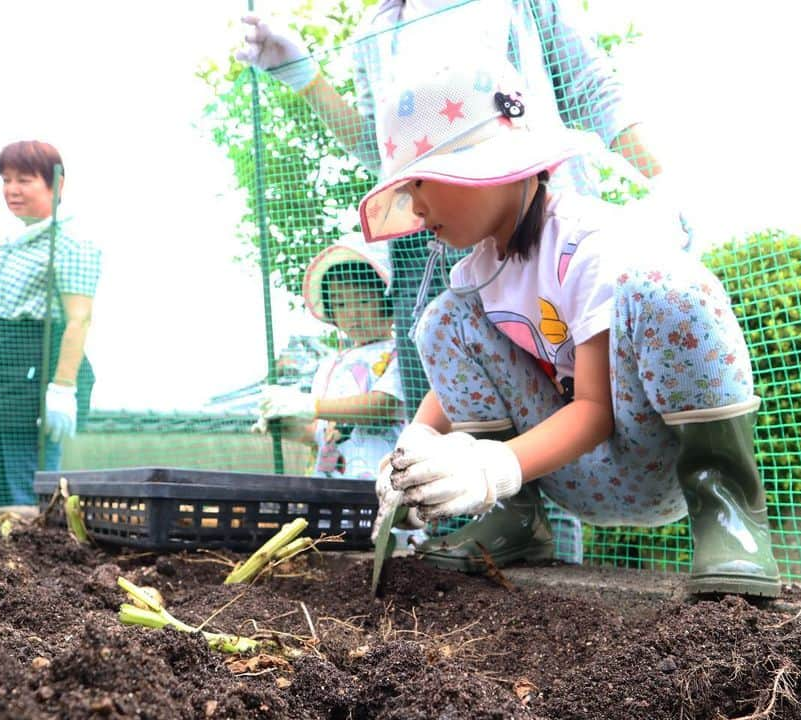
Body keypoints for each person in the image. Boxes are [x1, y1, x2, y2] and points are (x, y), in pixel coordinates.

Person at [238, 0, 678, 563]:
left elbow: (595, 90)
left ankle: (555, 547)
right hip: (452, 237)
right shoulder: (379, 28)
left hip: (546, 237)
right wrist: (307, 80)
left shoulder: (521, 6)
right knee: (450, 333)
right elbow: (385, 150)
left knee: (571, 370)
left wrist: (663, 189)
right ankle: (509, 523)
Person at [358, 59, 781, 597]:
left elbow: (596, 412)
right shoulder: (476, 274)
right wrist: (412, 448)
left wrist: (492, 467)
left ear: (493, 167)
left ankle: (728, 511)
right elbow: (456, 386)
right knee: (443, 319)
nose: (415, 205)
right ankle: (514, 520)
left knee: (663, 284)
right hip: (562, 471)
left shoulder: (586, 245)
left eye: (423, 182)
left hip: (654, 456)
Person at [0, 140, 100, 512]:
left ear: (57, 185)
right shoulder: (14, 244)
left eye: (24, 180)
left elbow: (78, 319)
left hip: (31, 382)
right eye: (6, 179)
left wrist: (62, 389)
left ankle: (26, 570)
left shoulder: (72, 244)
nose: (12, 189)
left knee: (28, 500)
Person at [252, 237, 405, 480]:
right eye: (341, 303)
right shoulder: (330, 365)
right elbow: (323, 430)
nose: (353, 313)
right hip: (332, 487)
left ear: (387, 299)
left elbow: (385, 405)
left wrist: (309, 406)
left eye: (364, 300)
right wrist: (285, 425)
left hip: (382, 483)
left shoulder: (402, 352)